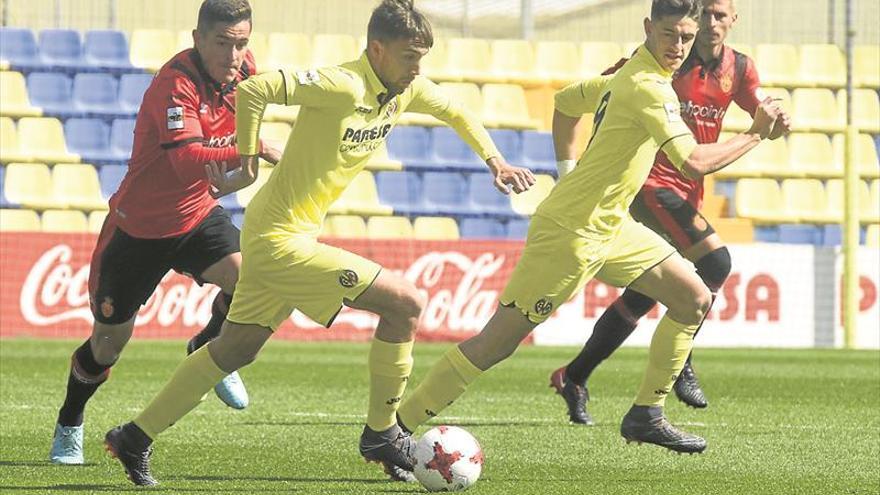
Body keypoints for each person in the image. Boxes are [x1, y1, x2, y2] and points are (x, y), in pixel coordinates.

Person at [101, 0, 535, 486]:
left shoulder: (403, 89)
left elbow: (456, 110)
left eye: (421, 58)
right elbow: (257, 89)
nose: (418, 68)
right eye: (410, 56)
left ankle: (134, 437)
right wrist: (246, 162)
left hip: (288, 233)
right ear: (377, 49)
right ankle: (382, 433)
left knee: (234, 350)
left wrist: (495, 161)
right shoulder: (342, 84)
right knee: (406, 304)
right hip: (279, 238)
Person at [390, 0, 785, 457]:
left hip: (612, 226)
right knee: (497, 343)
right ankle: (395, 428)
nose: (678, 46)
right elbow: (694, 162)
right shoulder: (646, 87)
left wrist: (566, 169)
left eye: (685, 37)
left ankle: (646, 414)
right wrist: (755, 133)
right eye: (669, 34)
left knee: (692, 297)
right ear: (647, 28)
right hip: (571, 234)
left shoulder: (624, 77)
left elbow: (563, 103)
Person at [48, 0, 281, 466]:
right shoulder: (174, 86)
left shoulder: (245, 73)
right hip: (138, 230)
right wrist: (248, 148)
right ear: (197, 39)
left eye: (241, 44)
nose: (234, 55)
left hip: (196, 215)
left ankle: (207, 346)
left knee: (251, 282)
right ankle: (70, 422)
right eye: (222, 43)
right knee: (107, 345)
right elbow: (183, 162)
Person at [549, 0, 792, 425]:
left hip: (688, 191)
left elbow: (760, 107)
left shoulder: (739, 68)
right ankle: (682, 365)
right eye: (707, 15)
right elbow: (611, 89)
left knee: (646, 292)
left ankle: (575, 375)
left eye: (721, 15)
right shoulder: (664, 61)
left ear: (734, 19)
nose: (712, 24)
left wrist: (775, 117)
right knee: (716, 262)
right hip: (650, 186)